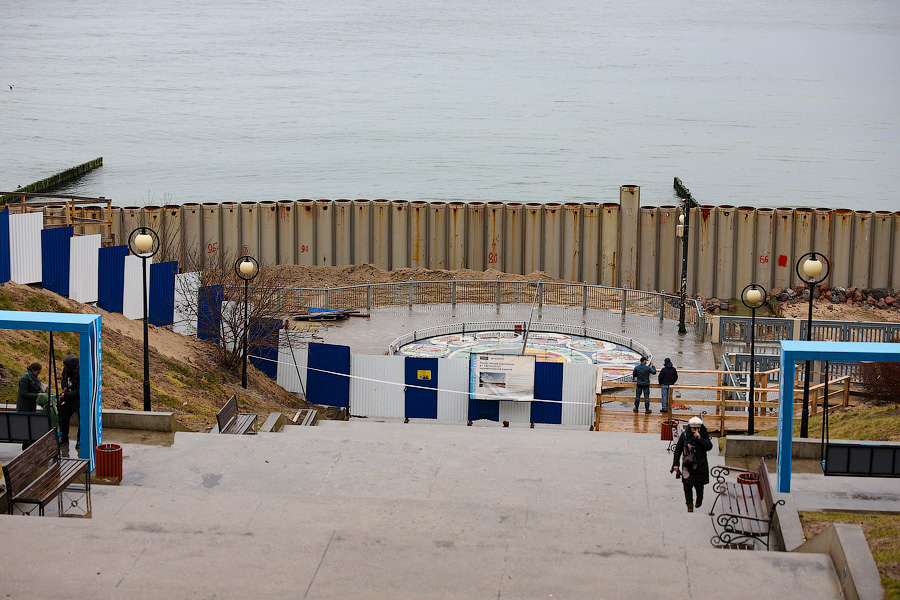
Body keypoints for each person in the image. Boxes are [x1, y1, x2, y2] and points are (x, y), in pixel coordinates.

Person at [671, 416, 713, 512]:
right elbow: (678, 450)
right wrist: (675, 464)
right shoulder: (685, 436)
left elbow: (709, 446)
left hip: (700, 466)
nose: (696, 430)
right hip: (688, 466)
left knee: (699, 486)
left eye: (698, 428)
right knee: (687, 486)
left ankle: (699, 499)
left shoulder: (704, 435)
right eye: (694, 428)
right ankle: (689, 504)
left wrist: (700, 439)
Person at [16, 362, 58, 445]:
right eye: (38, 371)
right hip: (24, 406)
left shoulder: (34, 377)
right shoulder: (25, 378)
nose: (39, 373)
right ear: (33, 370)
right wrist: (37, 395)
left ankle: (30, 443)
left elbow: (36, 387)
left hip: (31, 405)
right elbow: (23, 393)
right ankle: (26, 444)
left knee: (31, 426)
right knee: (26, 426)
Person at [58, 354, 80, 448]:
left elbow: (79, 390)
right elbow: (63, 379)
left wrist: (67, 394)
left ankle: (80, 440)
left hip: (77, 398)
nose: (65, 368)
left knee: (81, 419)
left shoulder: (80, 372)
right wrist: (64, 387)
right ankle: (64, 438)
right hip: (67, 397)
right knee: (64, 417)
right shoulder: (66, 370)